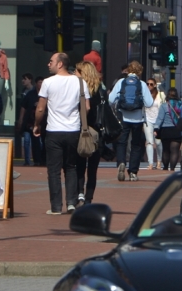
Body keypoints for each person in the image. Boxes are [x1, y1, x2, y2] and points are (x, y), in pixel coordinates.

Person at [34, 51, 88, 214]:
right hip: (73, 130)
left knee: (54, 170)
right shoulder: (80, 82)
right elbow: (86, 107)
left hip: (54, 131)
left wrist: (37, 124)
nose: (48, 64)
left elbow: (41, 107)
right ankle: (71, 203)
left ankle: (56, 207)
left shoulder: (48, 83)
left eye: (51, 61)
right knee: (71, 167)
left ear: (60, 64)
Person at [110, 60, 153, 182]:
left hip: (123, 117)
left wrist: (119, 100)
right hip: (138, 118)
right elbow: (149, 103)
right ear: (139, 72)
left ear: (128, 70)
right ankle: (133, 172)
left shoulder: (121, 82)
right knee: (136, 145)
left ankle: (121, 163)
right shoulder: (142, 84)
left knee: (122, 142)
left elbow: (111, 99)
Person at [74, 60, 107, 205]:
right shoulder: (101, 89)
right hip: (97, 132)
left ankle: (79, 193)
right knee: (93, 169)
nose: (74, 74)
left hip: (83, 130)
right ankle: (88, 198)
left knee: (79, 164)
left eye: (76, 71)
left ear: (83, 73)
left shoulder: (79, 89)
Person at [155, 86, 182, 171]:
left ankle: (165, 167)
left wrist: (156, 128)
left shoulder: (164, 106)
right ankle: (172, 168)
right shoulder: (181, 105)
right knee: (175, 151)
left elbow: (160, 119)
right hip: (176, 130)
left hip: (166, 130)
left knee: (166, 150)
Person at [16, 74, 39, 166]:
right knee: (26, 140)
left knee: (37, 142)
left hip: (35, 120)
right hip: (27, 121)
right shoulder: (24, 91)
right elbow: (23, 106)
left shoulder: (34, 92)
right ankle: (27, 160)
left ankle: (37, 159)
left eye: (25, 79)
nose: (23, 81)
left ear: (30, 80)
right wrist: (21, 119)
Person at [144, 78, 162, 169]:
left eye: (151, 84)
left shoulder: (160, 95)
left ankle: (159, 161)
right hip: (148, 121)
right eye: (147, 84)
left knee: (158, 142)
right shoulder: (144, 94)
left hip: (158, 121)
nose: (149, 86)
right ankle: (150, 163)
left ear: (155, 85)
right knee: (149, 142)